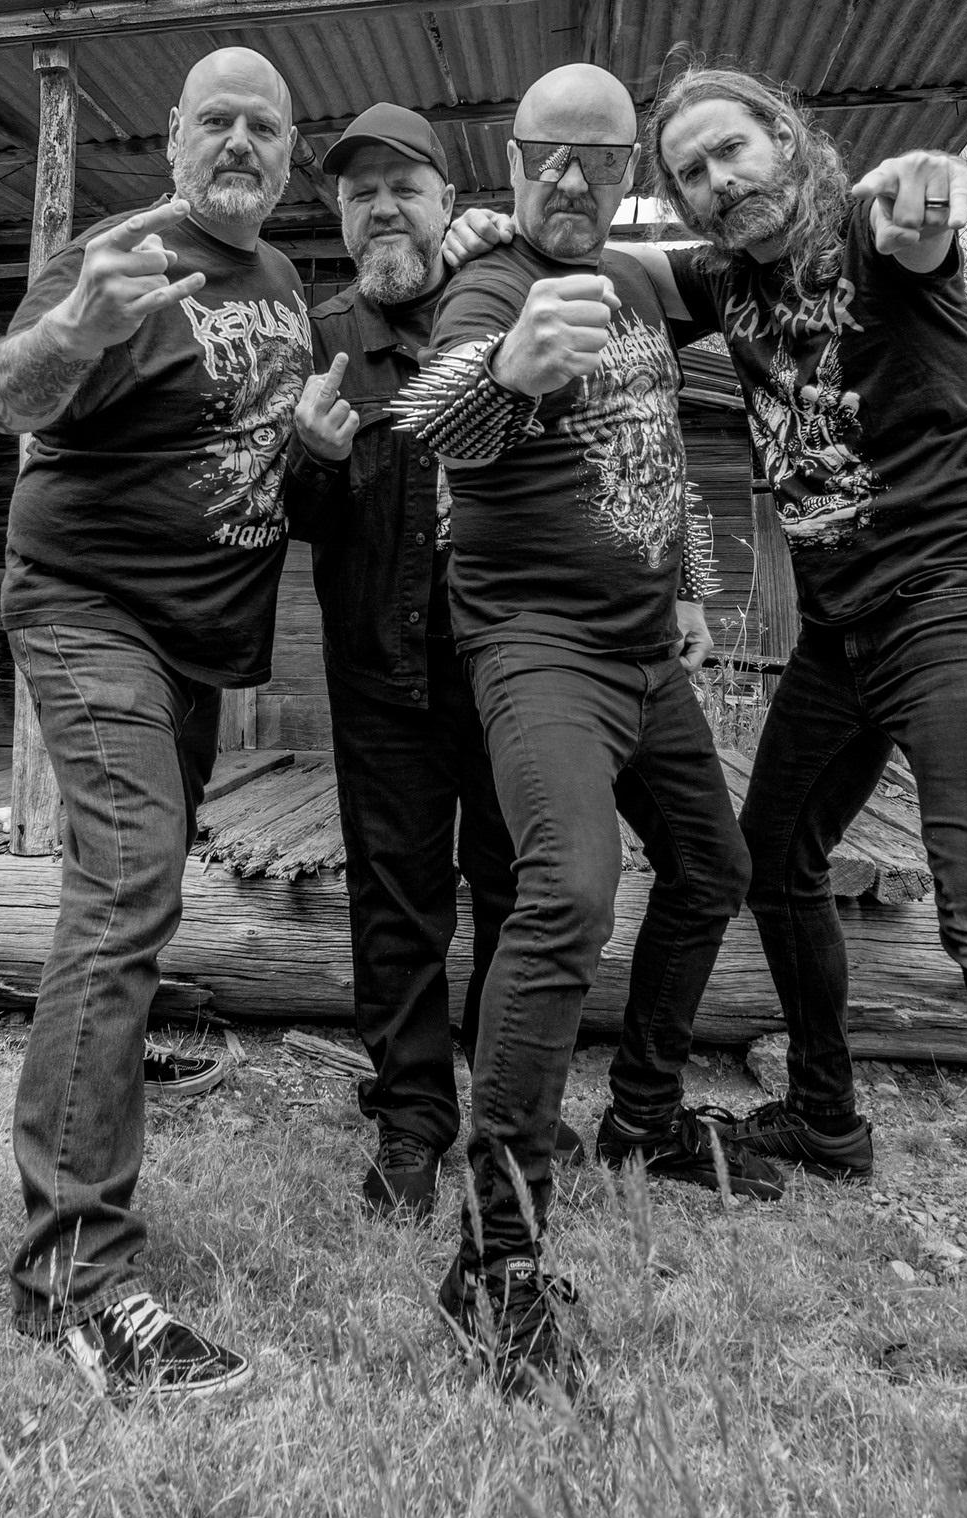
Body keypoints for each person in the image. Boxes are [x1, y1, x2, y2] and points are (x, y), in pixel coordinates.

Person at [627, 65, 967, 1479]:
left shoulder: (869, 229)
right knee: (770, 855)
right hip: (843, 631)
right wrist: (506, 230)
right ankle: (826, 1116)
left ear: (786, 140)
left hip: (957, 600)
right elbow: (616, 267)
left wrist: (931, 189)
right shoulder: (718, 277)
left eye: (731, 150)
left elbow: (924, 209)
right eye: (688, 172)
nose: (716, 182)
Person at [398, 62, 784, 1399]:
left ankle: (642, 1115)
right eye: (546, 154)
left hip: (643, 651)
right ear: (509, 157)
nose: (569, 177)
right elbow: (434, 414)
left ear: (630, 174)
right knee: (565, 891)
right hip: (538, 647)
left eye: (599, 159)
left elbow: (661, 435)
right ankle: (495, 1259)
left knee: (713, 867)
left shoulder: (638, 281)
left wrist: (689, 586)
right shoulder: (489, 286)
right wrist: (503, 373)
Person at [0, 46, 309, 1401]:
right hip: (87, 606)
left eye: (263, 126)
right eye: (214, 120)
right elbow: (7, 395)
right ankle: (73, 1276)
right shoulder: (121, 253)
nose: (239, 143)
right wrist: (73, 331)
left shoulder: (278, 276)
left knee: (131, 890)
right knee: (125, 885)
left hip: (192, 643)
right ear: (172, 136)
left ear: (288, 151)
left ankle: (94, 1089)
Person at [284, 103, 547, 1222]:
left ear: (448, 199)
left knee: (513, 885)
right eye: (360, 194)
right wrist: (311, 457)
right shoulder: (321, 339)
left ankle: (506, 1099)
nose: (382, 208)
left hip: (509, 665)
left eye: (404, 187)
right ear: (341, 218)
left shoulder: (503, 301)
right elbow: (291, 516)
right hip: (379, 670)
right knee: (395, 899)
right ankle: (410, 1119)